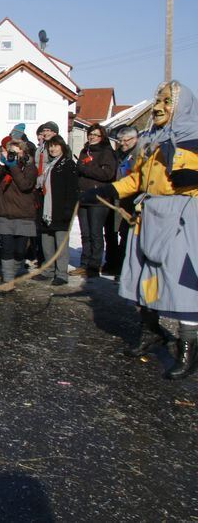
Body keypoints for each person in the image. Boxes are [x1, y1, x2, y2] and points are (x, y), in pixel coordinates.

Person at [86, 81, 198, 379]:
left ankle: (189, 349)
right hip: (148, 215)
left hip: (181, 217)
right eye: (157, 100)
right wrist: (108, 189)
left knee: (182, 284)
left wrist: (180, 157)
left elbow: (189, 178)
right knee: (144, 277)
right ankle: (150, 332)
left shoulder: (194, 137)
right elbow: (135, 181)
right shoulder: (150, 140)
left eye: (167, 101)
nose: (159, 106)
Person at [0, 139, 38, 287]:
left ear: (23, 152)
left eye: (17, 151)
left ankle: (14, 270)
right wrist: (2, 164)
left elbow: (25, 185)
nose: (14, 155)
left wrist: (14, 167)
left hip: (23, 213)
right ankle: (8, 279)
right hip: (5, 211)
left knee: (19, 250)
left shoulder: (30, 168)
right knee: (7, 247)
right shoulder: (4, 167)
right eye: (11, 151)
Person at [73, 124, 117, 278]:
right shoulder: (85, 151)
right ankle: (84, 263)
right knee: (85, 234)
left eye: (96, 135)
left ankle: (94, 265)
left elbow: (107, 174)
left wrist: (85, 168)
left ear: (102, 137)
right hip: (83, 197)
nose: (92, 137)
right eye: (90, 134)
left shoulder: (106, 152)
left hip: (99, 198)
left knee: (95, 233)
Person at [36, 135, 78, 286]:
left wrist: (69, 209)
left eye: (55, 146)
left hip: (60, 210)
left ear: (62, 146)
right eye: (50, 147)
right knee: (47, 243)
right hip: (47, 210)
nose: (53, 149)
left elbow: (72, 190)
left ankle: (61, 273)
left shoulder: (68, 165)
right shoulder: (50, 165)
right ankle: (48, 270)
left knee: (60, 244)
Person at [109, 126, 140, 276]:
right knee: (123, 235)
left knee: (130, 237)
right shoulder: (122, 155)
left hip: (133, 202)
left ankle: (126, 271)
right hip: (122, 202)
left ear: (135, 139)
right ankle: (121, 268)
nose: (122, 143)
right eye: (120, 141)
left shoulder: (139, 155)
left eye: (125, 141)